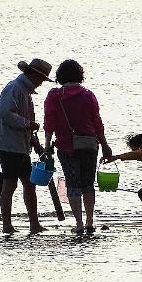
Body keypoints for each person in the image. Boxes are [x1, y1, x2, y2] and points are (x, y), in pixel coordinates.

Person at [44, 59, 112, 234]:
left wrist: (46, 145)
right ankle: (90, 220)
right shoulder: (88, 95)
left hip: (66, 146)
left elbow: (49, 122)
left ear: (60, 76)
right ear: (80, 75)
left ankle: (79, 223)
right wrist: (105, 145)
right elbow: (97, 123)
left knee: (73, 184)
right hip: (90, 144)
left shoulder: (54, 96)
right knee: (88, 184)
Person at [0, 58, 51, 234]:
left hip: (19, 145)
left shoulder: (24, 90)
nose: (42, 83)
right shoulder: (14, 88)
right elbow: (6, 114)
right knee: (12, 184)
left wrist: (32, 137)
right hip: (10, 145)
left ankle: (29, 224)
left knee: (26, 183)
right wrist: (27, 124)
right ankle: (10, 225)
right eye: (41, 79)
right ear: (34, 75)